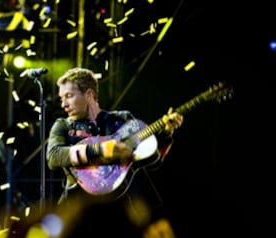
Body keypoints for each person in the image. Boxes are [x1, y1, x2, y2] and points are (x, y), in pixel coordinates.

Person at [46, 67, 184, 206]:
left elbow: (153, 162)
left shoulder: (123, 120)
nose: (63, 104)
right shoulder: (63, 125)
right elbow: (53, 157)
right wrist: (100, 149)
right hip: (75, 209)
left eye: (69, 96)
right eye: (62, 98)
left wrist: (166, 133)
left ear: (89, 94)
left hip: (118, 210)